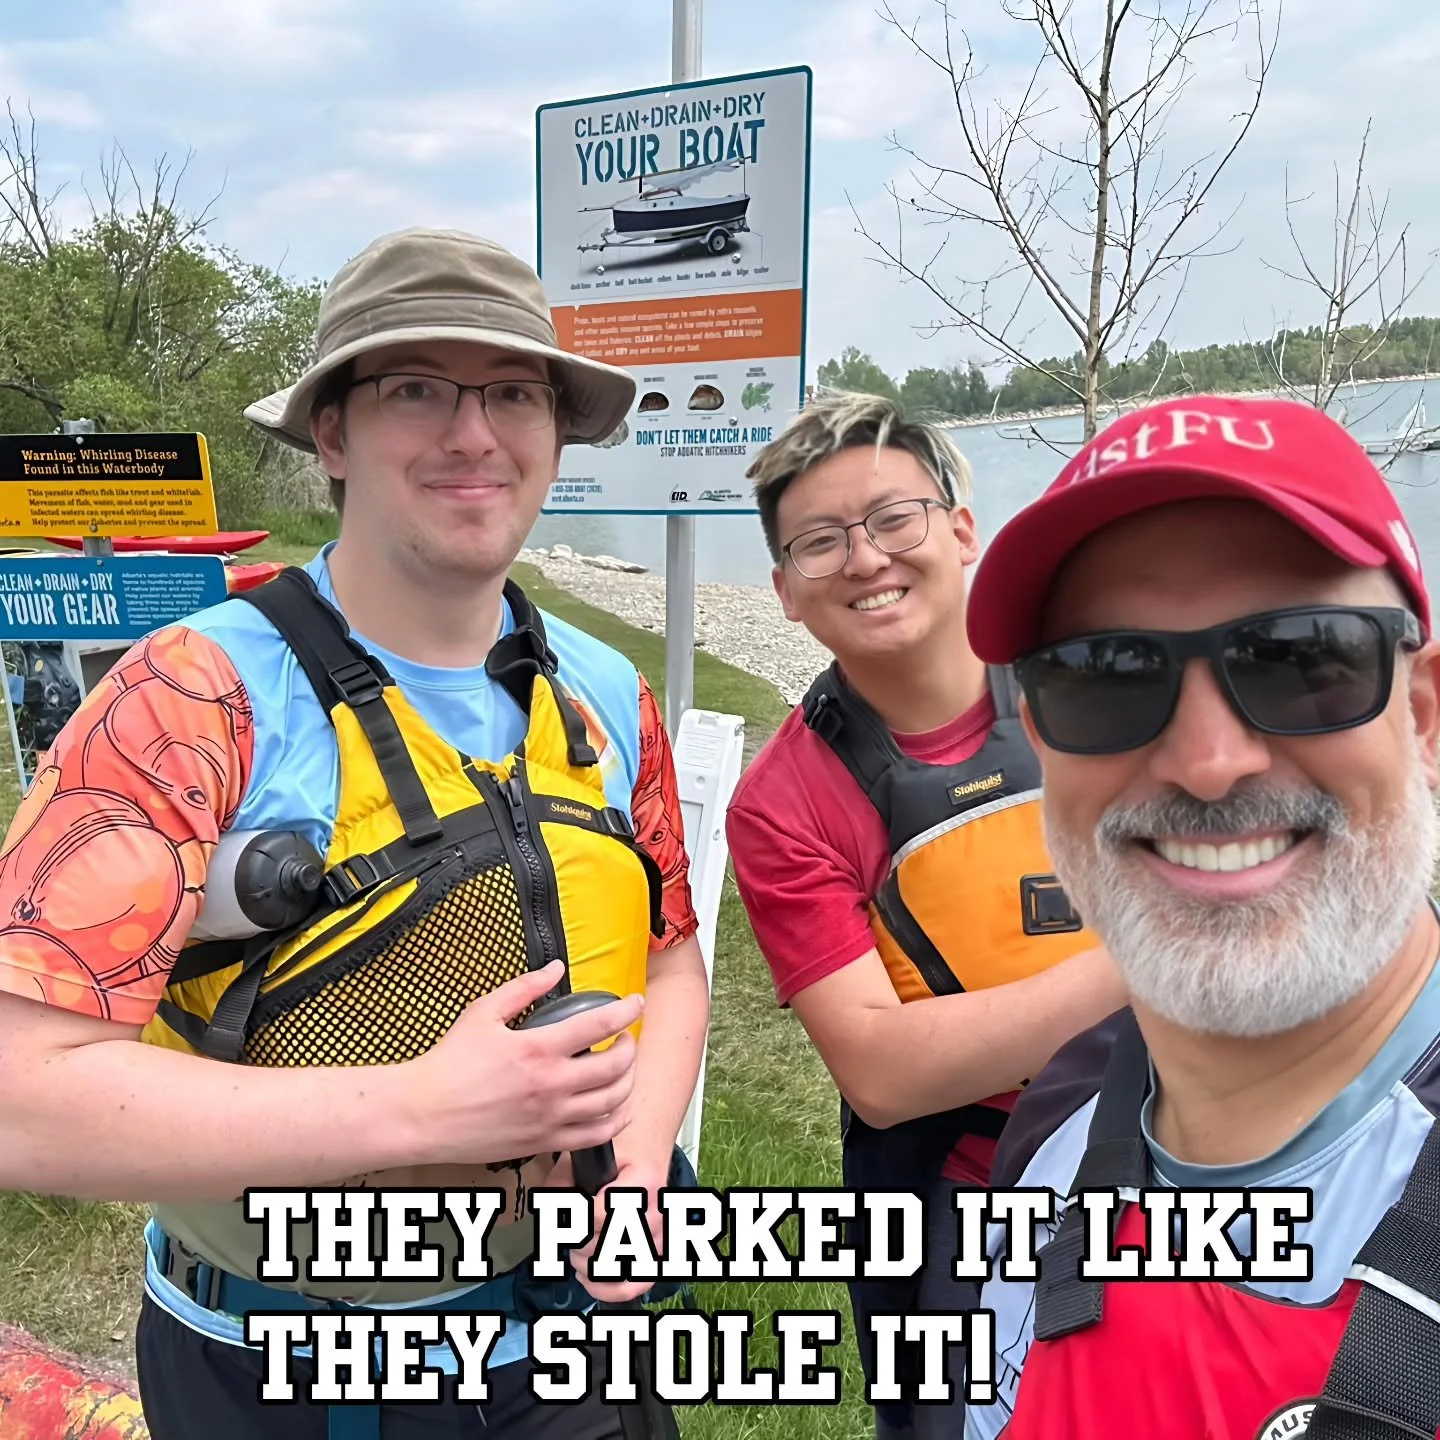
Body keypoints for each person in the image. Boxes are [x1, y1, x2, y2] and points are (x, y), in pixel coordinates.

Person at [0, 227, 709, 1439]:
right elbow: (22, 1096)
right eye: (416, 389)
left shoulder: (602, 689)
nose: (473, 432)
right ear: (331, 432)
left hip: (574, 1351)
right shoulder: (190, 698)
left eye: (512, 393)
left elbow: (666, 956)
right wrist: (427, 1111)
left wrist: (639, 1168)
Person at [959, 393, 1440, 1439]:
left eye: (1304, 656)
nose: (1210, 764)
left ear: (1424, 715)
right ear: (1041, 740)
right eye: (1105, 674)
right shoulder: (1056, 1131)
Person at [722, 390, 1128, 1438]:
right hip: (970, 1192)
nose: (864, 559)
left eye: (894, 518)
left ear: (959, 528)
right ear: (782, 591)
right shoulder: (783, 801)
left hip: (1194, 1151)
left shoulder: (1104, 683)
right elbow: (885, 1073)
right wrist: (1154, 954)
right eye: (820, 541)